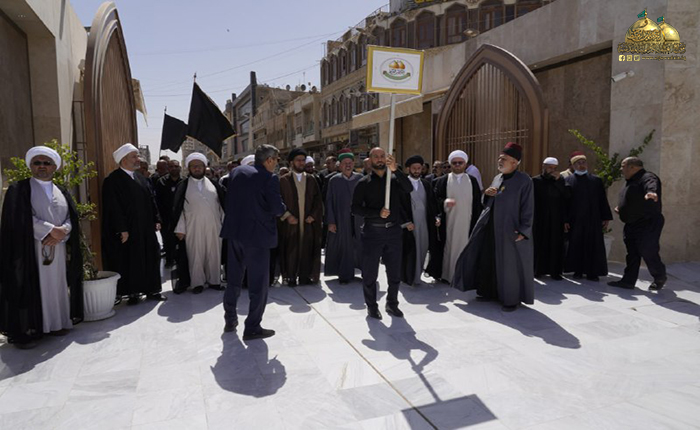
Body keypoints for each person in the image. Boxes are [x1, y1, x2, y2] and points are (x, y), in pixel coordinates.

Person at [0, 146, 83, 348]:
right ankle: (30, 330)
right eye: (37, 163)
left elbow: (71, 217)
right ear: (31, 166)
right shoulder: (19, 189)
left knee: (57, 286)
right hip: (30, 251)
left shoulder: (61, 190)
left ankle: (55, 324)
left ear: (54, 167)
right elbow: (17, 217)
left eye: (47, 163)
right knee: (30, 288)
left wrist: (63, 231)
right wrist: (49, 230)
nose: (42, 166)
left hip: (58, 248)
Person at [453, 142, 535, 312]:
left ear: (514, 162)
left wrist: (523, 230)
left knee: (509, 266)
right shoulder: (497, 178)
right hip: (490, 228)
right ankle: (488, 292)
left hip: (510, 230)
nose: (500, 161)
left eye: (504, 159)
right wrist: (487, 195)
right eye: (499, 158)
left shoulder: (524, 180)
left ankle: (510, 300)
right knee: (489, 261)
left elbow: (529, 207)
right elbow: (488, 202)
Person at [220, 144, 286, 340]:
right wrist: (284, 209)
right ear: (269, 160)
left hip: (235, 233)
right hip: (257, 237)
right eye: (276, 160)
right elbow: (276, 208)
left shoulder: (237, 172)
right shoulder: (269, 178)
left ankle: (230, 320)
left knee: (233, 280)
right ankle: (252, 327)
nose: (276, 164)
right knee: (258, 284)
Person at [352, 147, 413, 319]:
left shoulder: (394, 180)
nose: (379, 159)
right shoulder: (363, 183)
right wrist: (376, 213)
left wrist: (396, 170)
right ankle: (372, 306)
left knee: (394, 272)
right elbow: (355, 208)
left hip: (393, 231)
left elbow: (409, 188)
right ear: (370, 160)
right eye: (376, 157)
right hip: (372, 232)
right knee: (370, 273)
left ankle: (392, 304)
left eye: (382, 156)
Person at [101, 143, 166, 305]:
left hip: (146, 227)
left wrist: (156, 219)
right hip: (129, 229)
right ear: (123, 160)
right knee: (132, 259)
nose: (138, 159)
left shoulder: (141, 178)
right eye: (134, 156)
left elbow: (151, 200)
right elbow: (113, 207)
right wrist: (122, 229)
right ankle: (133, 292)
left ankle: (152, 289)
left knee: (151, 256)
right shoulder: (112, 180)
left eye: (138, 156)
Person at [608, 157, 667, 291]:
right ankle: (628, 281)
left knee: (647, 249)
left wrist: (651, 192)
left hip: (648, 222)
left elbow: (651, 184)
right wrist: (622, 208)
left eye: (623, 166)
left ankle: (659, 276)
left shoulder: (647, 177)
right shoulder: (630, 181)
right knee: (632, 253)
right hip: (632, 223)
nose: (621, 169)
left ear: (632, 167)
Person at [172, 153, 226, 294]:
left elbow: (222, 206)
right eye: (193, 166)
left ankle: (215, 281)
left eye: (200, 166)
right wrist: (180, 229)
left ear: (204, 167)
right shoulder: (183, 186)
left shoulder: (214, 184)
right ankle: (197, 283)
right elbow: (179, 209)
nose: (197, 168)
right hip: (192, 226)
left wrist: (224, 224)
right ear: (189, 168)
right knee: (195, 254)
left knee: (214, 253)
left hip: (214, 226)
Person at [430, 150, 482, 283]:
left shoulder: (472, 181)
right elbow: (435, 201)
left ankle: (464, 276)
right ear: (450, 164)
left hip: (467, 223)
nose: (457, 165)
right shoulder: (442, 181)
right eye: (454, 163)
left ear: (465, 164)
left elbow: (477, 203)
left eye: (460, 162)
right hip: (449, 223)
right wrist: (444, 203)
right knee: (449, 248)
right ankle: (448, 275)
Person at [564, 153, 613, 281]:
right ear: (573, 166)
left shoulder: (596, 180)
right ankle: (578, 270)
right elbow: (564, 202)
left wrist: (606, 217)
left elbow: (602, 200)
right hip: (576, 220)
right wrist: (565, 220)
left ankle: (593, 272)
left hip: (593, 219)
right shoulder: (568, 181)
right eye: (578, 163)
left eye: (583, 162)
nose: (581, 165)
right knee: (577, 244)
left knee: (594, 245)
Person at [279, 149, 323, 286]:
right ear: (291, 162)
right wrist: (287, 216)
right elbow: (278, 201)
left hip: (308, 222)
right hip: (291, 223)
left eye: (303, 160)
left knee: (307, 248)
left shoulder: (311, 179)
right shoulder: (283, 180)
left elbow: (318, 200)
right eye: (298, 160)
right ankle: (291, 277)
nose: (301, 163)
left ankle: (305, 276)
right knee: (291, 249)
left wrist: (313, 215)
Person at [400, 155, 440, 286]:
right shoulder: (402, 184)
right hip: (409, 224)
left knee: (422, 248)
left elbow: (433, 203)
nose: (417, 171)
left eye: (419, 168)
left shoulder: (426, 184)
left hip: (424, 223)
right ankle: (409, 277)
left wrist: (436, 217)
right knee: (410, 250)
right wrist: (406, 222)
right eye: (414, 168)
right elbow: (399, 205)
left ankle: (417, 275)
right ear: (408, 169)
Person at [325, 150, 363, 284]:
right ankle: (345, 275)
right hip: (341, 218)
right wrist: (331, 221)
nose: (348, 165)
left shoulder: (360, 179)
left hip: (358, 218)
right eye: (345, 163)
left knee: (361, 245)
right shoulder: (334, 180)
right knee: (343, 246)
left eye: (350, 163)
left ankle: (364, 272)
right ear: (340, 165)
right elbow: (329, 202)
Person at [532, 157, 569, 280]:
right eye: (549, 167)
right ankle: (538, 270)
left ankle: (555, 272)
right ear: (543, 166)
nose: (552, 170)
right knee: (540, 243)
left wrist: (558, 182)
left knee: (555, 245)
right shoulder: (535, 181)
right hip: (540, 218)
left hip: (556, 219)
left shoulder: (560, 180)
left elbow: (566, 197)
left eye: (554, 168)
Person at [154, 159, 183, 267]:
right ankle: (169, 260)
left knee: (181, 242)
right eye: (171, 166)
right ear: (168, 168)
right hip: (166, 218)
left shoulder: (185, 182)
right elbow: (157, 201)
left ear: (180, 168)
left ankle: (181, 262)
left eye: (176, 166)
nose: (174, 168)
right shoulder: (161, 182)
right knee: (167, 240)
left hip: (181, 218)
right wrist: (158, 219)